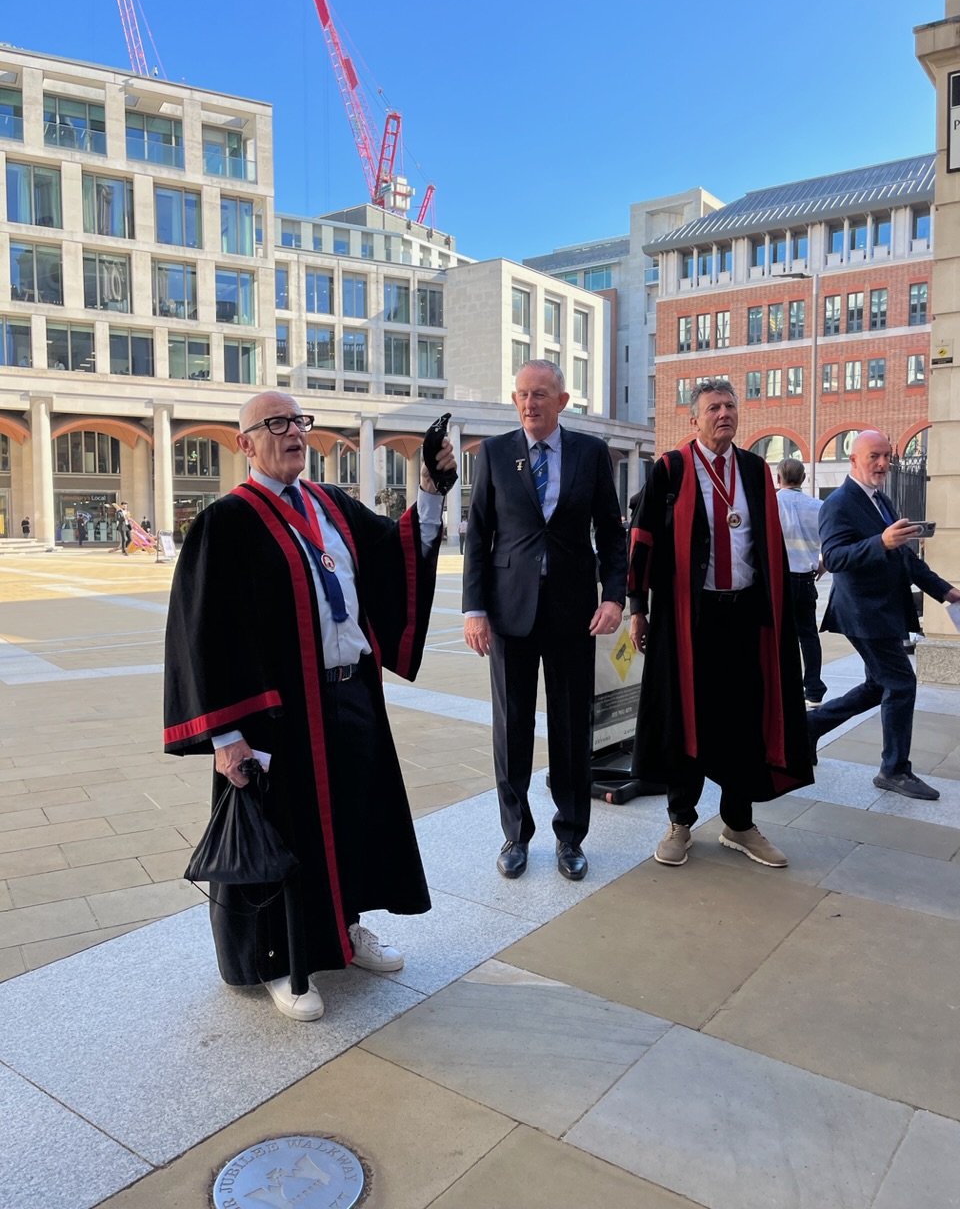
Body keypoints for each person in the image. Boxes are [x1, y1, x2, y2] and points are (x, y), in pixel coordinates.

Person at [164, 391, 455, 1021]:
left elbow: (396, 557)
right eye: (275, 423)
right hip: (279, 714)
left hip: (351, 693)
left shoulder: (330, 505)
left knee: (353, 817)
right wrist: (226, 739)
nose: (293, 431)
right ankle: (280, 963)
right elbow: (203, 634)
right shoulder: (227, 522)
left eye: (298, 421)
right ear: (245, 443)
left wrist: (431, 487)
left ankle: (345, 930)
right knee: (283, 835)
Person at [628, 378, 813, 870]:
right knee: (686, 716)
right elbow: (642, 538)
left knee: (743, 718)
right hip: (689, 617)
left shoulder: (754, 469)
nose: (724, 414)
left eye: (730, 406)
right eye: (713, 407)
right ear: (695, 418)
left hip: (746, 615)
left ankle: (738, 822)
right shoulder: (672, 468)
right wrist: (637, 607)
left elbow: (767, 544)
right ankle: (680, 821)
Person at [462, 359, 626, 882]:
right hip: (509, 612)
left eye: (540, 394)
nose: (530, 403)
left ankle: (571, 835)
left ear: (562, 400)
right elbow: (479, 535)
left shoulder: (590, 453)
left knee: (572, 727)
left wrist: (614, 597)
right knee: (512, 727)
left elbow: (612, 532)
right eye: (522, 394)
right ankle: (516, 834)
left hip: (574, 612)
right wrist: (474, 610)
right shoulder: (494, 453)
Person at [807, 430, 960, 801]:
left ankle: (808, 727)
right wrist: (881, 541)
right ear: (854, 459)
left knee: (878, 686)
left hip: (884, 610)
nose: (882, 463)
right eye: (874, 456)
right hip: (863, 612)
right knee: (902, 684)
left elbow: (905, 557)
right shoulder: (838, 503)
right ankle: (894, 770)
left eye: (887, 456)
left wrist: (945, 591)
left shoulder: (881, 499)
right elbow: (835, 558)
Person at [776, 459, 827, 706]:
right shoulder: (819, 506)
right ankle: (814, 689)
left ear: (778, 478)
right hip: (806, 578)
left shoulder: (771, 503)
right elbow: (833, 539)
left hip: (780, 579)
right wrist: (823, 563)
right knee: (809, 636)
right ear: (804, 478)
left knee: (780, 636)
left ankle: (784, 686)